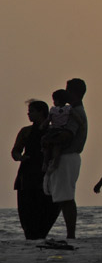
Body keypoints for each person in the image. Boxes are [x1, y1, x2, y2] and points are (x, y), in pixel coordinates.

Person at [43, 77, 88, 239]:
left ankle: (71, 235)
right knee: (65, 197)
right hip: (69, 156)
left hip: (68, 156)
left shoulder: (74, 112)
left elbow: (67, 135)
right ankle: (70, 234)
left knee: (66, 198)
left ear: (72, 92)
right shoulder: (74, 110)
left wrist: (49, 140)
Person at [11, 100, 60, 239]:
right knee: (26, 208)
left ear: (41, 112)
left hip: (48, 173)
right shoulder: (25, 131)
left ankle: (41, 235)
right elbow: (15, 151)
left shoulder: (52, 130)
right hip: (28, 174)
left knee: (48, 207)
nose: (29, 114)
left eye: (32, 111)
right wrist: (20, 157)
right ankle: (30, 236)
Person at [41, 89, 73, 174]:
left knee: (52, 147)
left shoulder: (56, 110)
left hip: (57, 131)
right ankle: (49, 163)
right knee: (52, 147)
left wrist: (43, 125)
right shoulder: (68, 109)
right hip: (58, 131)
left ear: (57, 101)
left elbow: (48, 120)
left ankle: (50, 163)